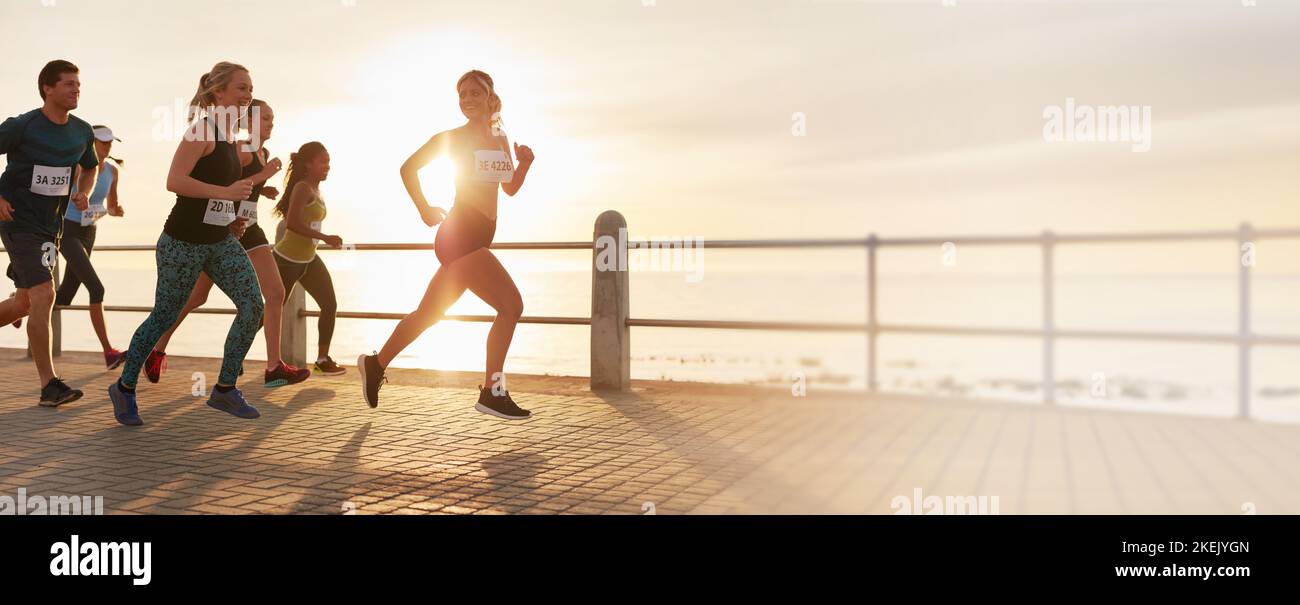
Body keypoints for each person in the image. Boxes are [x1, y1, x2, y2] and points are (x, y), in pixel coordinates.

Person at [357, 70, 535, 420]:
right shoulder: (452, 138)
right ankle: (492, 392)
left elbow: (509, 187)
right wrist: (424, 207)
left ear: (490, 97)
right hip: (460, 234)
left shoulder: (500, 138)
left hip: (477, 236)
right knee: (511, 306)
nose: (468, 98)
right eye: (462, 93)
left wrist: (525, 164)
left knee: (429, 313)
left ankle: (376, 364)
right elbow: (408, 168)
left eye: (475, 93)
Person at [107, 61, 265, 426]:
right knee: (163, 315)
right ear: (217, 92)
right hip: (182, 242)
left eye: (250, 88)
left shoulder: (230, 136)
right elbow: (175, 181)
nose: (247, 95)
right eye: (241, 88)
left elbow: (214, 197)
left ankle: (225, 388)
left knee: (252, 307)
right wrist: (225, 191)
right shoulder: (202, 131)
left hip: (219, 240)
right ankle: (125, 388)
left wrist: (231, 214)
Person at [144, 99, 311, 388]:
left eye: (273, 119)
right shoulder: (242, 149)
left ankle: (274, 367)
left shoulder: (262, 151)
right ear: (249, 121)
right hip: (226, 229)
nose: (271, 124)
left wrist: (263, 187)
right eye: (265, 118)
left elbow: (246, 187)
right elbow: (224, 185)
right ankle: (155, 349)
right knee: (195, 297)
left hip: (251, 228)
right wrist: (264, 174)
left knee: (274, 292)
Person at [0, 59, 99, 406]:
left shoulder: (82, 131)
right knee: (45, 293)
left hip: (49, 227)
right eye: (69, 84)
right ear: (48, 88)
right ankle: (49, 386)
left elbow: (91, 166)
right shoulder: (22, 126)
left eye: (78, 84)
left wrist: (84, 190)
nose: (76, 89)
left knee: (24, 302)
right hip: (17, 220)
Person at [272, 141, 347, 376]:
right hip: (287, 259)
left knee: (329, 304)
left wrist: (321, 239)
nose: (328, 166)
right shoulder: (303, 188)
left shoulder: (316, 190)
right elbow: (293, 223)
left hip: (308, 259)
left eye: (329, 162)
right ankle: (237, 356)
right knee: (271, 311)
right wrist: (324, 236)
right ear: (308, 164)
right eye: (323, 162)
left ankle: (322, 360)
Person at [56, 125, 126, 369]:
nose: (107, 146)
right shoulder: (78, 166)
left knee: (64, 296)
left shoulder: (113, 171)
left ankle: (20, 301)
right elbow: (57, 194)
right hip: (67, 230)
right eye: (102, 141)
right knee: (97, 288)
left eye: (110, 142)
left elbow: (112, 204)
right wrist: (75, 196)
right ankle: (109, 353)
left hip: (89, 232)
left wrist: (117, 211)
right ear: (90, 143)